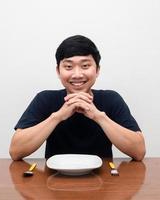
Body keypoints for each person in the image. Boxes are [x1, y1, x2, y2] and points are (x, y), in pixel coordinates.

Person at [9, 35, 146, 161]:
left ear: (97, 70)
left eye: (85, 66)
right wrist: (57, 116)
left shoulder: (111, 99)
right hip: (54, 180)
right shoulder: (45, 99)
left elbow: (139, 152)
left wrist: (98, 116)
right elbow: (16, 151)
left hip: (103, 180)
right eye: (68, 66)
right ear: (58, 71)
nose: (77, 74)